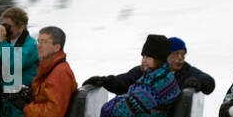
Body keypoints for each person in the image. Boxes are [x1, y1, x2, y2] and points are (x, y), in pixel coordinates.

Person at [84, 36, 215, 95]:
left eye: (183, 54)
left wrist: (198, 81)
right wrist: (106, 81)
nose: (180, 58)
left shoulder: (187, 71)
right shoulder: (146, 71)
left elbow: (209, 81)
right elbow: (124, 81)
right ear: (165, 56)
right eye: (176, 54)